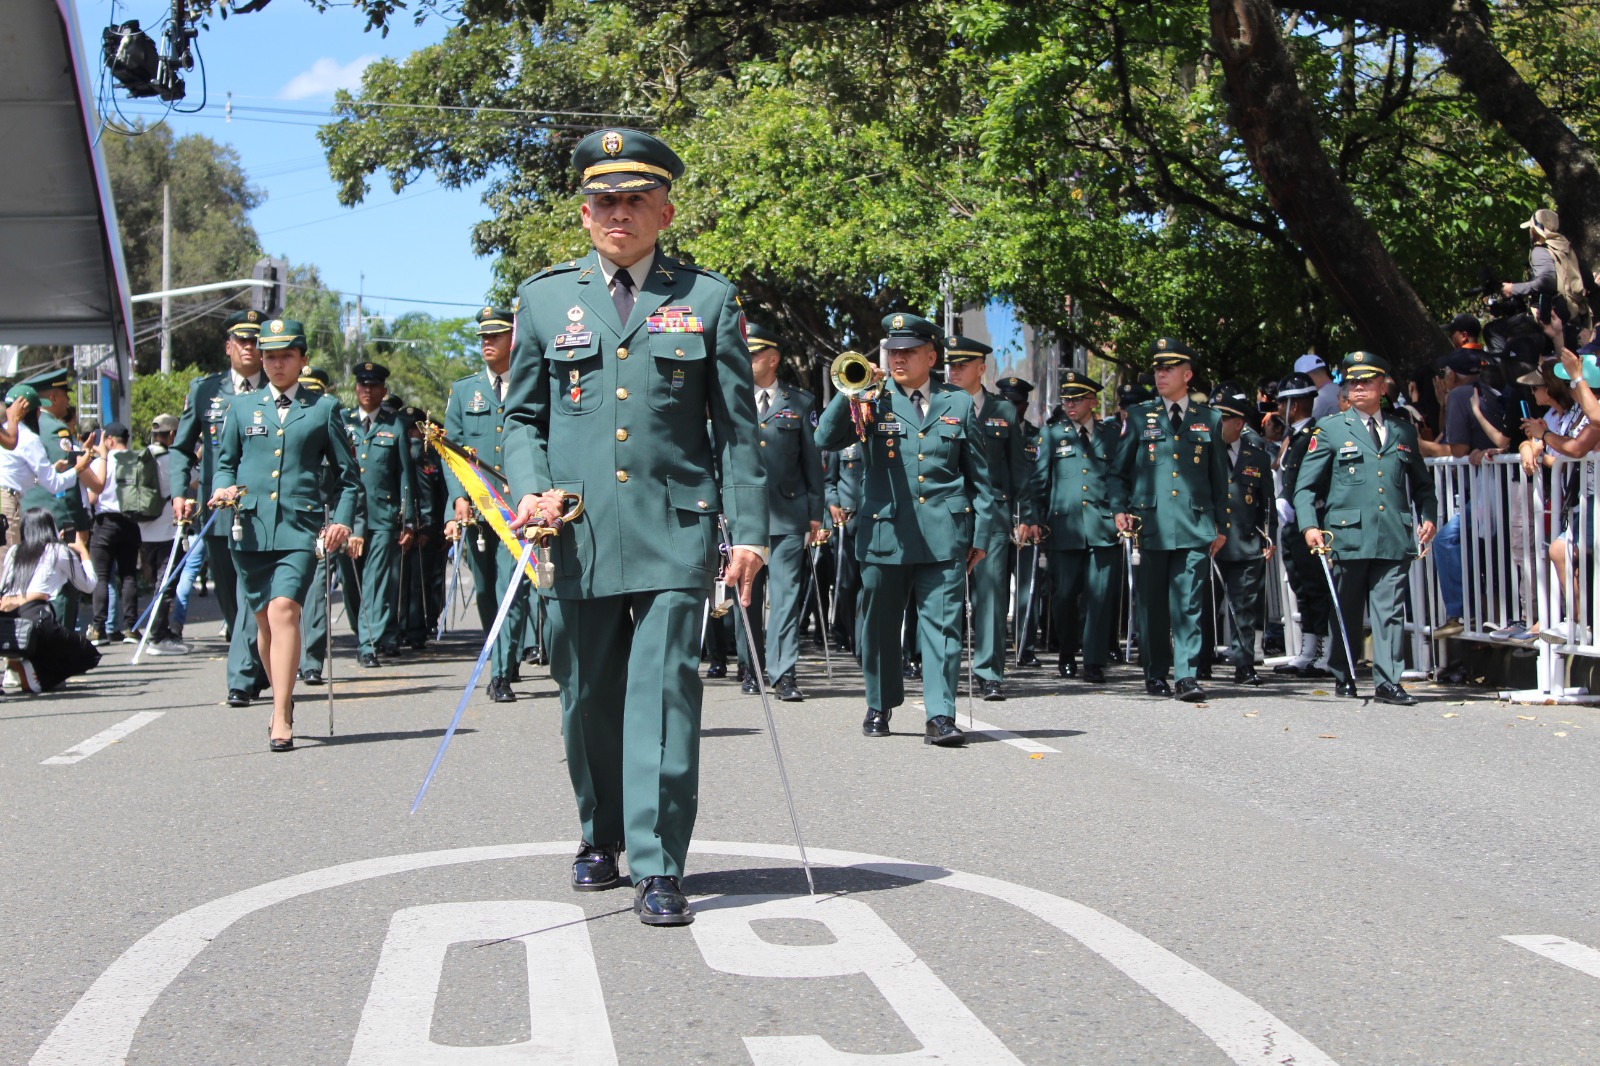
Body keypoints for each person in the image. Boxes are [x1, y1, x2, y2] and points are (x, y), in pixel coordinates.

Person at [503, 128, 767, 926]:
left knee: (663, 696)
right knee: (585, 695)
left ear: (666, 210)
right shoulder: (545, 298)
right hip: (575, 534)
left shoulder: (708, 300)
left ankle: (658, 864)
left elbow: (737, 430)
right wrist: (533, 491)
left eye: (634, 200)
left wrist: (748, 531)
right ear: (585, 215)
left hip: (673, 531)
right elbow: (521, 419)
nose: (618, 213)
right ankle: (599, 833)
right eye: (603, 201)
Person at [815, 312, 996, 744]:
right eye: (893, 351)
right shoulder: (871, 398)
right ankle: (879, 704)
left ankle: (940, 715)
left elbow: (981, 478)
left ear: (931, 356)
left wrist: (982, 535)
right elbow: (825, 438)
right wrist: (851, 391)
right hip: (885, 533)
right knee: (878, 624)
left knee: (944, 627)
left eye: (909, 351)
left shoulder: (957, 403)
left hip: (944, 535)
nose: (898, 358)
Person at [210, 318, 361, 751]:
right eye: (270, 356)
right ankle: (282, 696)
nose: (277, 364)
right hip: (250, 529)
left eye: (286, 356)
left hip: (299, 527)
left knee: (283, 611)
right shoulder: (241, 408)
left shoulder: (324, 408)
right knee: (263, 623)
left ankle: (279, 712)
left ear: (302, 360)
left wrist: (342, 521)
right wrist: (222, 486)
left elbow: (348, 479)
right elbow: (226, 461)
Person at [1294, 351, 1438, 705]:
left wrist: (1429, 516)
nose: (1358, 387)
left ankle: (1389, 681)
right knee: (1346, 606)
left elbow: (1422, 485)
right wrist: (1309, 525)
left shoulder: (1402, 429)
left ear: (1382, 385)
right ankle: (1344, 671)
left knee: (1389, 610)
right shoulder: (1329, 429)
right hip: (1347, 534)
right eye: (1351, 382)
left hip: (1393, 532)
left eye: (1366, 381)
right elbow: (1305, 487)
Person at [1111, 338, 1231, 702]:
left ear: (1187, 374)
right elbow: (1119, 472)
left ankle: (1187, 675)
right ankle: (1156, 671)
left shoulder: (1208, 419)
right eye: (1157, 369)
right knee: (1153, 604)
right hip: (1151, 523)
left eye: (1168, 369)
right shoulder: (1139, 416)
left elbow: (1218, 478)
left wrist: (1221, 526)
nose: (1160, 375)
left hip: (1195, 523)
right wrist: (1119, 508)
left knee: (1189, 602)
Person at [172, 309, 271, 707]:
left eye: (255, 341)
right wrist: (181, 492)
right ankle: (256, 661)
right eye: (242, 341)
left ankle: (241, 679)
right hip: (218, 513)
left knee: (253, 596)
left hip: (264, 511)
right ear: (229, 346)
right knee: (231, 600)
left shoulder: (278, 389)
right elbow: (181, 448)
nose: (249, 348)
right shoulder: (205, 391)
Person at [443, 306, 531, 703]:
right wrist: (457, 500)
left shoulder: (531, 383)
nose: (487, 343)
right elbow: (451, 453)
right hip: (478, 509)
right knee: (485, 591)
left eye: (495, 336)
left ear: (512, 339)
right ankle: (501, 654)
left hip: (516, 506)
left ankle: (500, 673)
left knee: (510, 586)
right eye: (483, 337)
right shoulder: (464, 391)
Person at [733, 323, 823, 701]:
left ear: (773, 359)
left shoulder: (799, 402)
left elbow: (813, 462)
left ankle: (784, 672)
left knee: (786, 596)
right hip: (744, 516)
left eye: (754, 354)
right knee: (747, 597)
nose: (748, 359)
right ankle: (750, 665)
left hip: (788, 513)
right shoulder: (730, 398)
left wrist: (816, 513)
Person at [943, 336, 1029, 699]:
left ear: (982, 368)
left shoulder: (1003, 411)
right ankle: (941, 668)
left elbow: (1018, 470)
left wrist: (1025, 513)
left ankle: (989, 672)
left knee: (991, 596)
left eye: (964, 364)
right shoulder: (938, 404)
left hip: (990, 512)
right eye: (952, 364)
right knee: (944, 594)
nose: (955, 370)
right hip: (947, 511)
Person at [1020, 371, 1117, 684]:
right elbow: (1038, 482)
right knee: (1063, 597)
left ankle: (1093, 660)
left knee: (1100, 597)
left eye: (1077, 398)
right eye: (1067, 399)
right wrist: (1034, 518)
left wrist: (1121, 511)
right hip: (1064, 528)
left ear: (1092, 401)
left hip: (1102, 527)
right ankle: (1066, 652)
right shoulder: (1052, 435)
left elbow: (1119, 479)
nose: (1070, 404)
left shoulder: (1109, 435)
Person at [340, 362, 418, 667]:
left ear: (383, 391)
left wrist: (408, 519)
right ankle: (363, 629)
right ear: (356, 388)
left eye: (374, 386)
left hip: (383, 517)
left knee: (375, 582)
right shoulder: (343, 421)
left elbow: (405, 476)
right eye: (362, 385)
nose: (367, 391)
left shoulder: (394, 425)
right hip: (348, 517)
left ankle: (367, 644)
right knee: (351, 583)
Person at [1208, 383, 1277, 685]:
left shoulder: (1257, 456)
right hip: (1209, 542)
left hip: (1247, 541)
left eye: (1223, 418)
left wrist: (1268, 537)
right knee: (1203, 605)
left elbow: (1267, 503)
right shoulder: (1203, 453)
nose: (1217, 424)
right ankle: (1199, 662)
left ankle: (1244, 663)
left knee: (1244, 607)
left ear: (1239, 423)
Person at [1272, 372, 1334, 677]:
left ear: (1294, 404)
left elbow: (1316, 478)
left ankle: (1322, 652)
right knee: (1302, 587)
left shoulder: (1314, 434)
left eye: (1283, 403)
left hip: (1311, 520)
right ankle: (1308, 650)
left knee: (1316, 587)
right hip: (1294, 524)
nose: (1280, 409)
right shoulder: (1295, 436)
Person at [0, 508, 100, 693]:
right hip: (36, 619)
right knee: (88, 653)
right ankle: (35, 672)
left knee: (54, 672)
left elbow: (3, 587)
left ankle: (17, 665)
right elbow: (88, 585)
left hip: (7, 621)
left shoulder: (14, 550)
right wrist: (83, 551)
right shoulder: (58, 550)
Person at [0, 385, 91, 548]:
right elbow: (54, 485)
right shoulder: (28, 438)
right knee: (5, 565)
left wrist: (53, 470)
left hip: (6, 500)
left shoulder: (4, 432)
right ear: (34, 413)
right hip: (7, 505)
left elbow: (16, 475)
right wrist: (78, 469)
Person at [997, 375, 1044, 668]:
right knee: (993, 590)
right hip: (997, 521)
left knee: (1029, 587)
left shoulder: (1038, 439)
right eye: (1006, 403)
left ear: (1025, 405)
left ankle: (1025, 646)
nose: (1012, 409)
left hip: (1027, 524)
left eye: (1016, 404)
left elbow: (1039, 485)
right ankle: (995, 646)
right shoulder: (989, 434)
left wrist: (1034, 519)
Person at [83, 424, 143, 645]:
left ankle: (98, 628)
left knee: (101, 576)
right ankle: (131, 627)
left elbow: (91, 498)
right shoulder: (137, 461)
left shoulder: (101, 463)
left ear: (109, 440)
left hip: (105, 522)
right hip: (130, 521)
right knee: (128, 576)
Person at [137, 414, 188, 653]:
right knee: (166, 584)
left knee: (156, 584)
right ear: (172, 435)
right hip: (169, 530)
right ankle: (157, 636)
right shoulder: (172, 459)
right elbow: (192, 481)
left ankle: (158, 631)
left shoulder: (141, 455)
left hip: (144, 530)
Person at [1295, 354, 1341, 419]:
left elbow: (1303, 423)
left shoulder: (1319, 399)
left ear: (1307, 376)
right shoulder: (1340, 389)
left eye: (1300, 379)